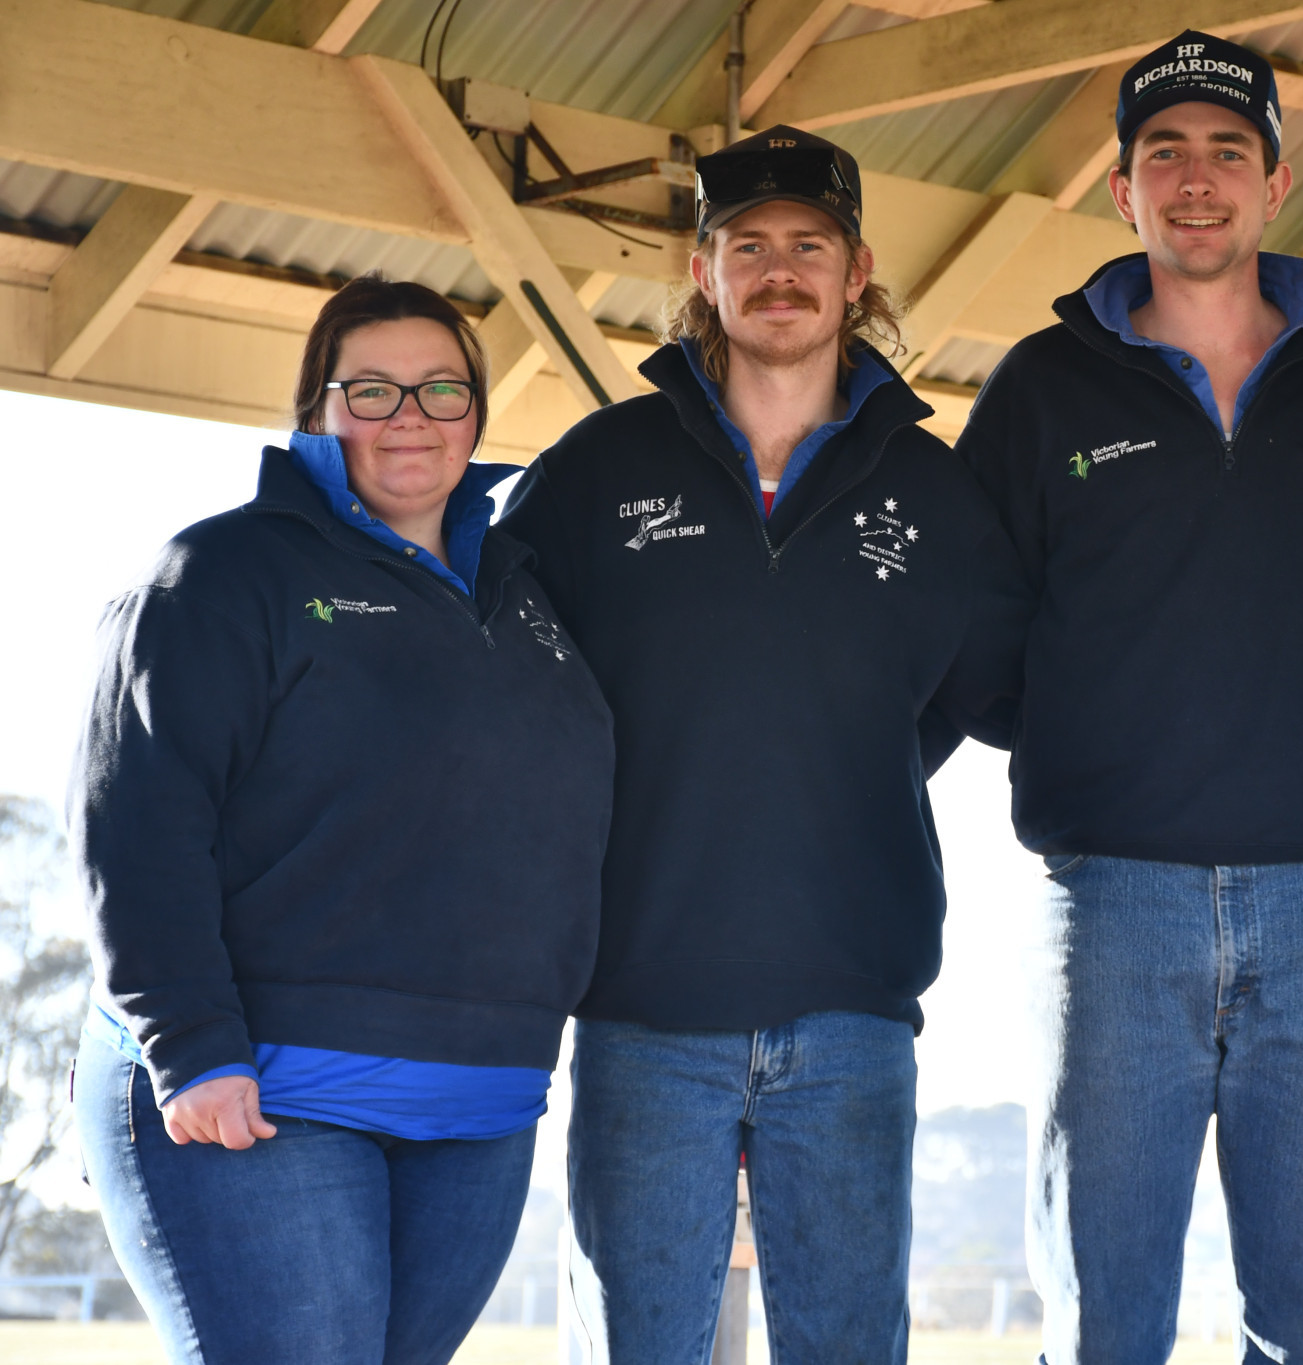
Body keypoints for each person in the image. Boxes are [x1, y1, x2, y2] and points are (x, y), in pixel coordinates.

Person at [498, 126, 1031, 1364]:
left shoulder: (939, 498)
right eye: (749, 246)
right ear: (702, 270)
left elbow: (969, 695)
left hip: (850, 1012)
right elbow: (508, 694)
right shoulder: (593, 472)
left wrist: (838, 764)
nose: (779, 271)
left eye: (809, 245)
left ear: (856, 274)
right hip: (640, 1011)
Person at [954, 32, 1303, 1364]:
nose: (1196, 178)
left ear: (1277, 181)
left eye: (1228, 151)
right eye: (1162, 152)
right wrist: (1093, 732)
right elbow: (971, 623)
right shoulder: (1043, 388)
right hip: (1113, 903)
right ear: (1122, 192)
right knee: (1104, 1321)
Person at [71, 275, 615, 1365]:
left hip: (480, 1104)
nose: (408, 416)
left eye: (439, 389)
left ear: (477, 413)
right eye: (371, 390)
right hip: (264, 1088)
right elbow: (139, 822)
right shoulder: (221, 576)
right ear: (316, 409)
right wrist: (191, 1046)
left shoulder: (528, 596)